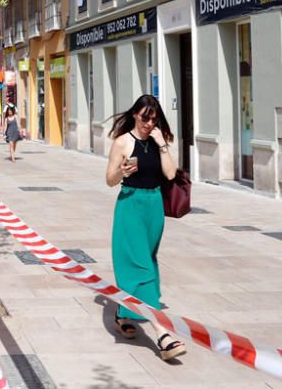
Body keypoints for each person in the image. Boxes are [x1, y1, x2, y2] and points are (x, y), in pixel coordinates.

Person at [105, 94, 185, 362]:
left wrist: (162, 143)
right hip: (130, 205)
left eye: (154, 119)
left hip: (153, 207)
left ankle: (123, 313)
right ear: (135, 115)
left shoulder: (157, 140)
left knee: (148, 262)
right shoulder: (122, 142)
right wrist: (123, 173)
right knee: (140, 266)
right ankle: (162, 334)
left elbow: (171, 174)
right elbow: (109, 179)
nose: (149, 123)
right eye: (145, 117)